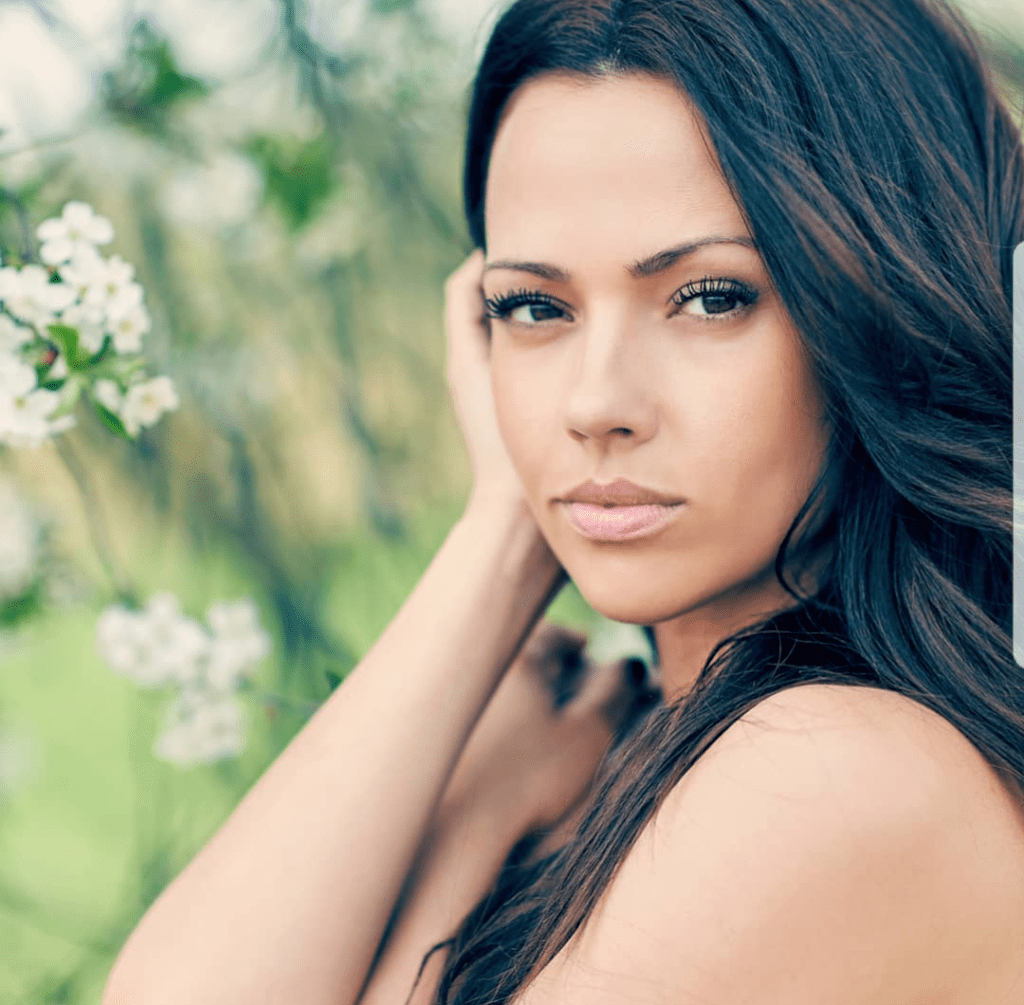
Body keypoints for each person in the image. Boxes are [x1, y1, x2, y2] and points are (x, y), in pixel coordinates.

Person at [101, 0, 1024, 1002]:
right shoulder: (625, 741)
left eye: (711, 297)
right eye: (533, 308)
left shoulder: (841, 770)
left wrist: (473, 825)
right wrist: (501, 534)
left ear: (886, 305)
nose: (593, 406)